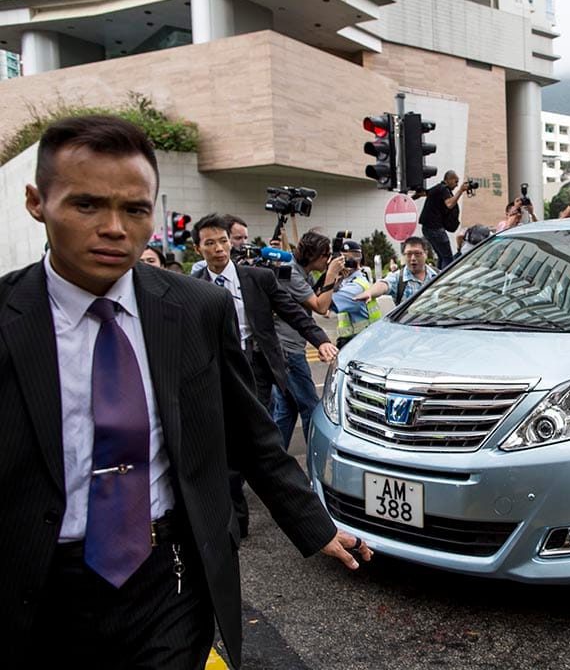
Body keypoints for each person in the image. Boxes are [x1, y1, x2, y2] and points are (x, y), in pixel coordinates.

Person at [2, 115, 371, 668]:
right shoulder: (8, 321)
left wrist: (314, 526)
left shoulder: (196, 309)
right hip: (39, 586)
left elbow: (250, 436)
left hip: (168, 579)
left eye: (134, 210)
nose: (113, 228)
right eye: (86, 205)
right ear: (37, 202)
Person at [192, 213, 338, 537]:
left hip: (254, 365)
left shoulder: (258, 278)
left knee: (259, 438)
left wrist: (322, 340)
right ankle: (236, 522)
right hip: (214, 370)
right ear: (198, 249)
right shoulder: (194, 287)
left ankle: (302, 511)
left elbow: (293, 311)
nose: (219, 248)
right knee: (226, 443)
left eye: (223, 241)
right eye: (210, 243)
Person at [272, 230, 347, 448]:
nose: (327, 260)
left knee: (286, 410)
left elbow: (318, 299)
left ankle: (275, 462)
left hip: (286, 347)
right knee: (310, 407)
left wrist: (332, 278)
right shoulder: (290, 273)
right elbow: (321, 307)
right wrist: (331, 274)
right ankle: (315, 459)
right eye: (326, 256)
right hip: (288, 350)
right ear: (313, 255)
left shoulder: (301, 272)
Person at [353, 236, 438, 306]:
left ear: (426, 254)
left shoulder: (439, 276)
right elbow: (383, 284)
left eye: (417, 254)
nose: (413, 258)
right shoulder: (398, 278)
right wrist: (370, 292)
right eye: (408, 254)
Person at [331, 241, 382, 349]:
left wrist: (330, 274)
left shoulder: (355, 287)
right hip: (357, 341)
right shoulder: (345, 281)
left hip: (360, 343)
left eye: (344, 259)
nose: (340, 263)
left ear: (356, 261)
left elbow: (323, 304)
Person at [418, 170, 468, 269]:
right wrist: (461, 191)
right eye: (455, 182)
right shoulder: (444, 189)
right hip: (435, 228)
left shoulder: (437, 188)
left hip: (427, 228)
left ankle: (437, 277)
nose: (456, 185)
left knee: (441, 256)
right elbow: (449, 204)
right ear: (449, 179)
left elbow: (426, 193)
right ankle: (444, 280)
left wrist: (416, 194)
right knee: (448, 258)